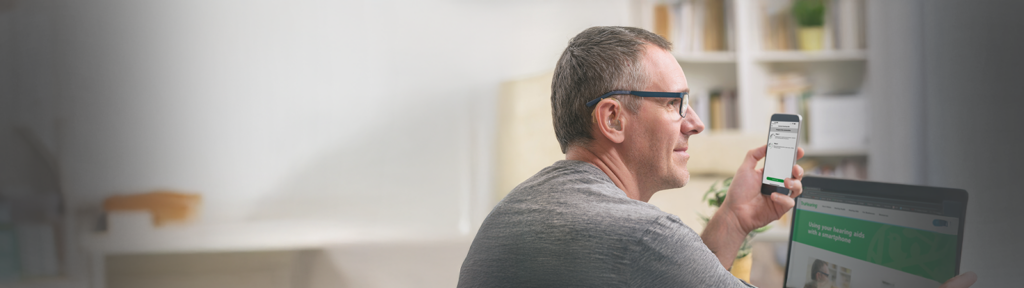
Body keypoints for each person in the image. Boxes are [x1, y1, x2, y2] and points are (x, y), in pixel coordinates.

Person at [457, 26, 976, 288]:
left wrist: (732, 219)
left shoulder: (512, 213)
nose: (696, 123)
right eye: (675, 103)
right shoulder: (641, 237)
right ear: (612, 119)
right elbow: (649, 259)